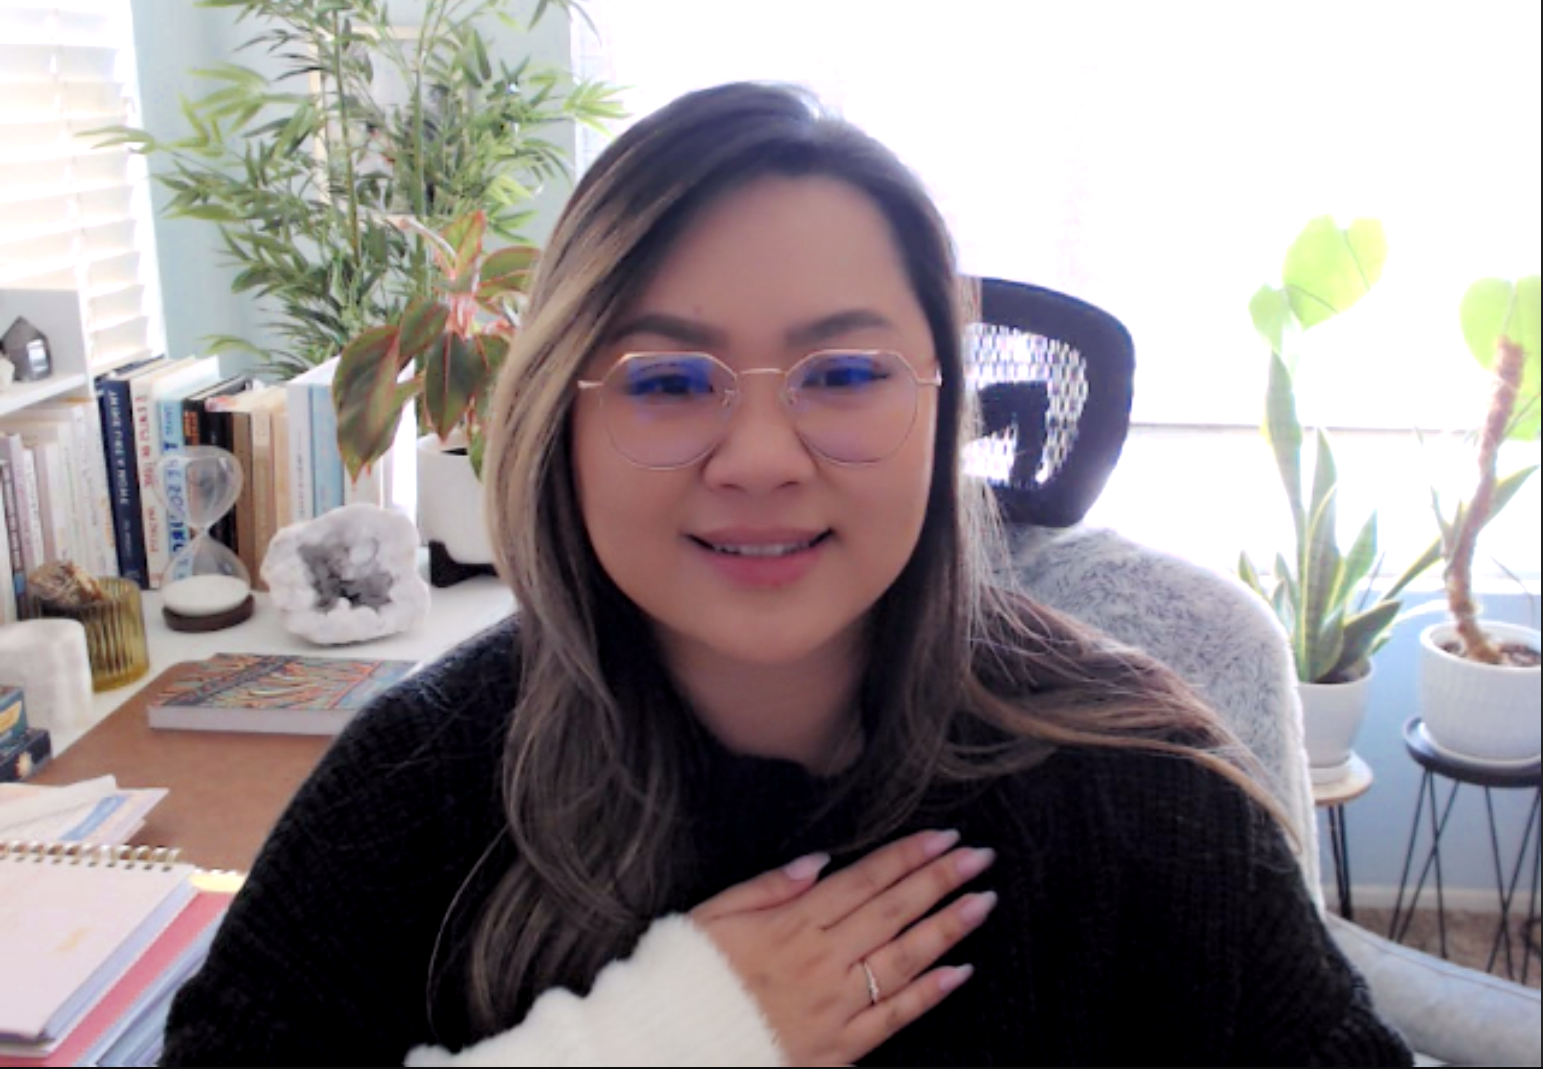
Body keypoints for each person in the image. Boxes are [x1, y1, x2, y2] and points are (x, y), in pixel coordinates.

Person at [160, 81, 1412, 1067]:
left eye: (849, 374)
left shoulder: (1144, 798)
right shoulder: (417, 791)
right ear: (562, 423)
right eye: (664, 381)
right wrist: (656, 1048)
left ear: (941, 413)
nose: (759, 459)